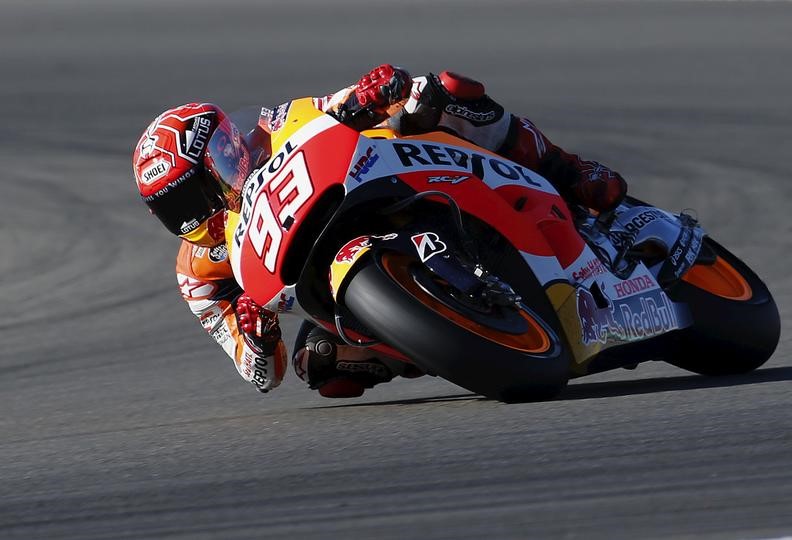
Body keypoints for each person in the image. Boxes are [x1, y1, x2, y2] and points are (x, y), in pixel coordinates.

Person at [132, 65, 627, 398]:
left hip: (378, 182)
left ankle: (566, 168)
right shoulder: (198, 274)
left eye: (198, 193)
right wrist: (256, 337)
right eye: (177, 210)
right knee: (321, 367)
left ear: (225, 152)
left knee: (439, 92)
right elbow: (262, 375)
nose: (197, 217)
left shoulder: (275, 125)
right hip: (336, 289)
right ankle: (451, 337)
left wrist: (376, 92)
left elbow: (356, 101)